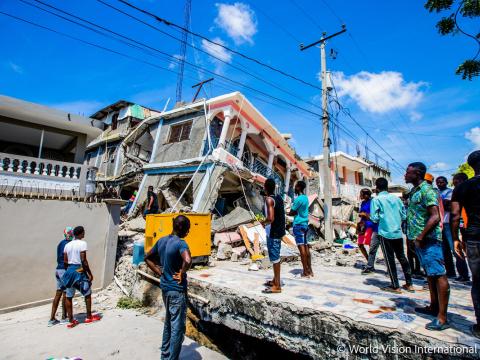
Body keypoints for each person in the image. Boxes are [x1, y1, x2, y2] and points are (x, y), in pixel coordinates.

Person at [406, 162, 450, 331]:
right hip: (420, 240)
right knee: (430, 275)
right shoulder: (414, 191)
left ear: (416, 174)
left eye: (408, 173)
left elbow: (435, 216)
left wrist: (421, 236)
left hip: (429, 240)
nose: (405, 175)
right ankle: (433, 306)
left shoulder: (427, 190)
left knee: (439, 275)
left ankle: (443, 317)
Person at [145, 215, 192, 360]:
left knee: (169, 324)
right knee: (177, 328)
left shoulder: (162, 240)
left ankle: (165, 356)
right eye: (188, 229)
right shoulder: (181, 244)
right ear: (182, 229)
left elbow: (147, 257)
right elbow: (188, 260)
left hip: (165, 288)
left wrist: (159, 272)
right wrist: (182, 272)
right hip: (176, 290)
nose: (188, 232)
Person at [451, 150, 480, 339]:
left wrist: (455, 238)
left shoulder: (463, 187)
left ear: (470, 166)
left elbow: (455, 215)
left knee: (478, 282)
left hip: (475, 238)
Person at [369, 178, 413, 293]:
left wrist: (382, 218)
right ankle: (409, 284)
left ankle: (395, 285)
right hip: (397, 232)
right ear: (387, 187)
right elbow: (404, 216)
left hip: (385, 232)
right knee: (402, 257)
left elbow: (374, 218)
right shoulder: (396, 199)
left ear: (377, 188)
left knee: (389, 259)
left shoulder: (376, 200)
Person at [62, 226, 100, 328]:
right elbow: (84, 260)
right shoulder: (83, 243)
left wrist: (69, 271)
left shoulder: (67, 245)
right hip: (79, 270)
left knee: (69, 296)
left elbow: (65, 261)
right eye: (84, 232)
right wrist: (89, 274)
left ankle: (71, 320)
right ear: (80, 233)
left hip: (69, 270)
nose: (84, 234)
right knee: (87, 293)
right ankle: (88, 317)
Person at [437, 176, 470, 281]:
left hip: (450, 223)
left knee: (455, 248)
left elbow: (449, 206)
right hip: (441, 224)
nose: (440, 184)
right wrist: (443, 203)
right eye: (438, 182)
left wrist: (442, 203)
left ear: (446, 182)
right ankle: (451, 272)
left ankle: (464, 274)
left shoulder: (450, 192)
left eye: (442, 182)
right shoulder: (437, 192)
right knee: (445, 250)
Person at [262, 178, 286, 294]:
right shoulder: (279, 198)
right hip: (279, 231)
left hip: (273, 232)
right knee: (275, 256)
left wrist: (263, 222)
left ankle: (277, 285)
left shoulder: (269, 200)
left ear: (265, 187)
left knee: (275, 259)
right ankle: (274, 280)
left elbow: (270, 218)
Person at [48, 227, 74, 326]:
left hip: (58, 269)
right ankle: (64, 317)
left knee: (58, 293)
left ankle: (52, 319)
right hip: (64, 270)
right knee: (66, 294)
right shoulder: (69, 244)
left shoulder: (60, 243)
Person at [288, 180, 313, 278]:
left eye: (295, 186)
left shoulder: (298, 199)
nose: (294, 188)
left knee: (301, 248)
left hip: (298, 224)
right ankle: (310, 269)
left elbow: (292, 212)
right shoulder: (306, 198)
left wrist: (288, 213)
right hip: (305, 224)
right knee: (306, 247)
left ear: (298, 187)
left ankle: (305, 271)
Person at [357, 189, 378, 263]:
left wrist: (365, 214)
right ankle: (368, 259)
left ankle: (371, 262)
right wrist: (361, 214)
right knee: (360, 244)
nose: (360, 195)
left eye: (361, 194)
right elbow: (360, 212)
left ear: (366, 195)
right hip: (362, 225)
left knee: (370, 245)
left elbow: (374, 215)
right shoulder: (362, 202)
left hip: (370, 225)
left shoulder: (373, 202)